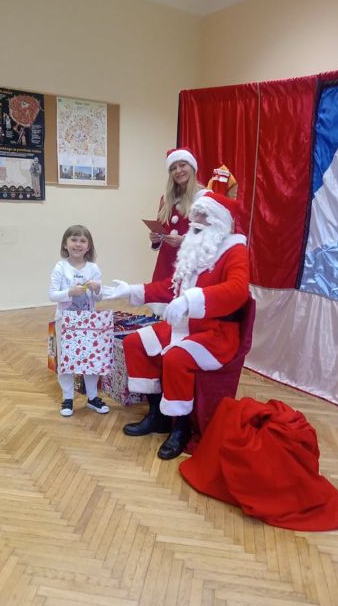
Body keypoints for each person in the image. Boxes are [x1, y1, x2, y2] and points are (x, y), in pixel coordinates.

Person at [102, 191, 249, 460]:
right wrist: (132, 290)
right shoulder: (195, 248)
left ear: (219, 221)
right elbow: (171, 287)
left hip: (216, 332)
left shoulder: (234, 250)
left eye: (203, 215)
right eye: (195, 214)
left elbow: (238, 291)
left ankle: (180, 428)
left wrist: (191, 300)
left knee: (176, 358)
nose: (195, 221)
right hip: (184, 326)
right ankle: (157, 415)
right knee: (135, 342)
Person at [49, 224, 110, 417]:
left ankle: (92, 397)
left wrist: (97, 288)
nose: (78, 244)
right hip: (65, 322)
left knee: (91, 360)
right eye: (74, 240)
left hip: (89, 322)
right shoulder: (60, 267)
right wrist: (69, 292)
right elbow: (52, 295)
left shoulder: (93, 268)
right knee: (66, 361)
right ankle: (67, 398)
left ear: (89, 246)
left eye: (83, 241)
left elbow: (99, 297)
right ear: (65, 244)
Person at [150, 148, 205, 282]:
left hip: (191, 266)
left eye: (182, 165)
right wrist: (155, 239)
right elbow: (161, 229)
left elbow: (209, 236)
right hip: (165, 265)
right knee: (160, 294)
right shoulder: (166, 198)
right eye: (173, 168)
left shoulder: (204, 197)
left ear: (192, 167)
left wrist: (183, 240)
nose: (178, 171)